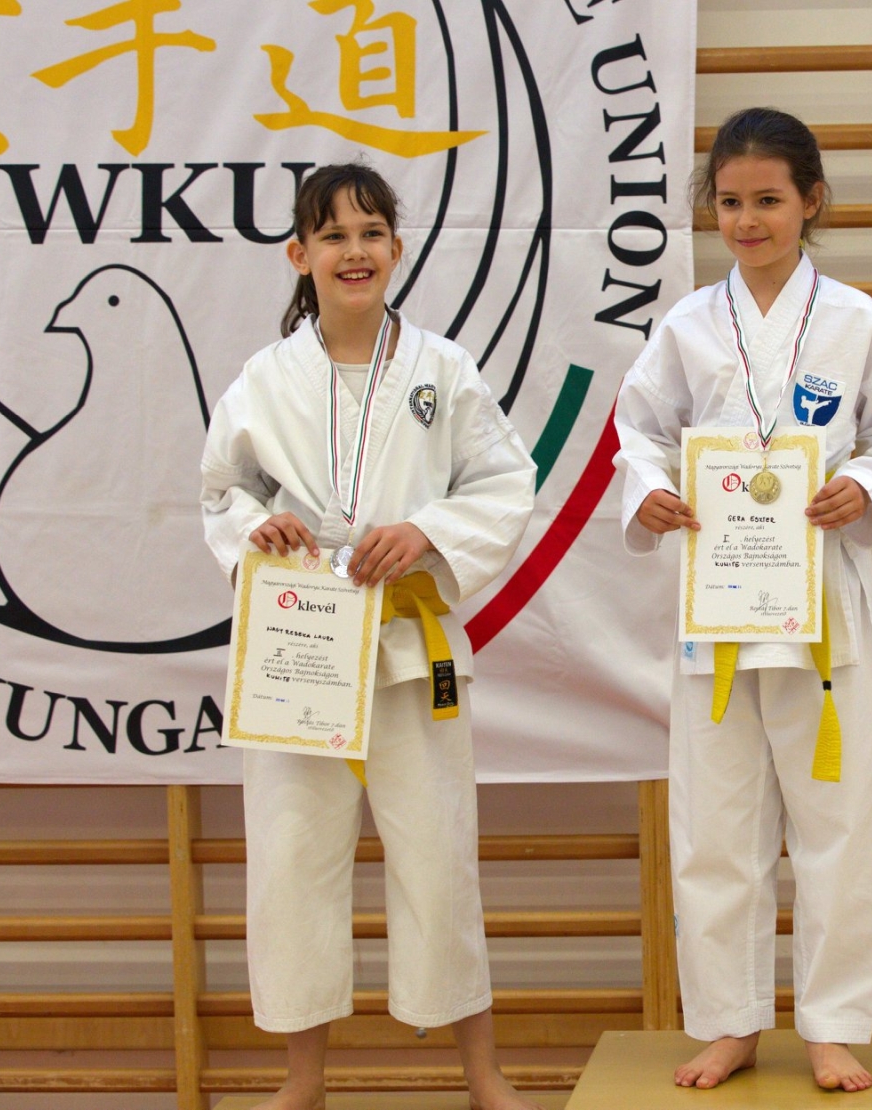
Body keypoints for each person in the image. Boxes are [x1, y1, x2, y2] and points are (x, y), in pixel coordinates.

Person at [200, 162, 541, 1110]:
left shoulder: (443, 369)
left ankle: (482, 1073)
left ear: (396, 247)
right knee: (290, 861)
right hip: (299, 649)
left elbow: (505, 483)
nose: (355, 252)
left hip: (406, 647)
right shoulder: (266, 378)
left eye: (371, 234)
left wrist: (426, 530)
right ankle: (302, 1080)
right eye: (334, 236)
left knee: (439, 857)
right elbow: (221, 492)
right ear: (298, 255)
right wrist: (258, 530)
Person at [614, 107, 872, 1092]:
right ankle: (730, 1020)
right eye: (729, 202)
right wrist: (649, 490)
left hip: (819, 602)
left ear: (811, 202)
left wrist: (867, 486)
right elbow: (638, 432)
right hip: (717, 607)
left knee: (838, 821)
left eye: (767, 200)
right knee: (716, 827)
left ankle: (832, 1024)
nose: (747, 220)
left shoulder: (853, 320)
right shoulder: (686, 325)